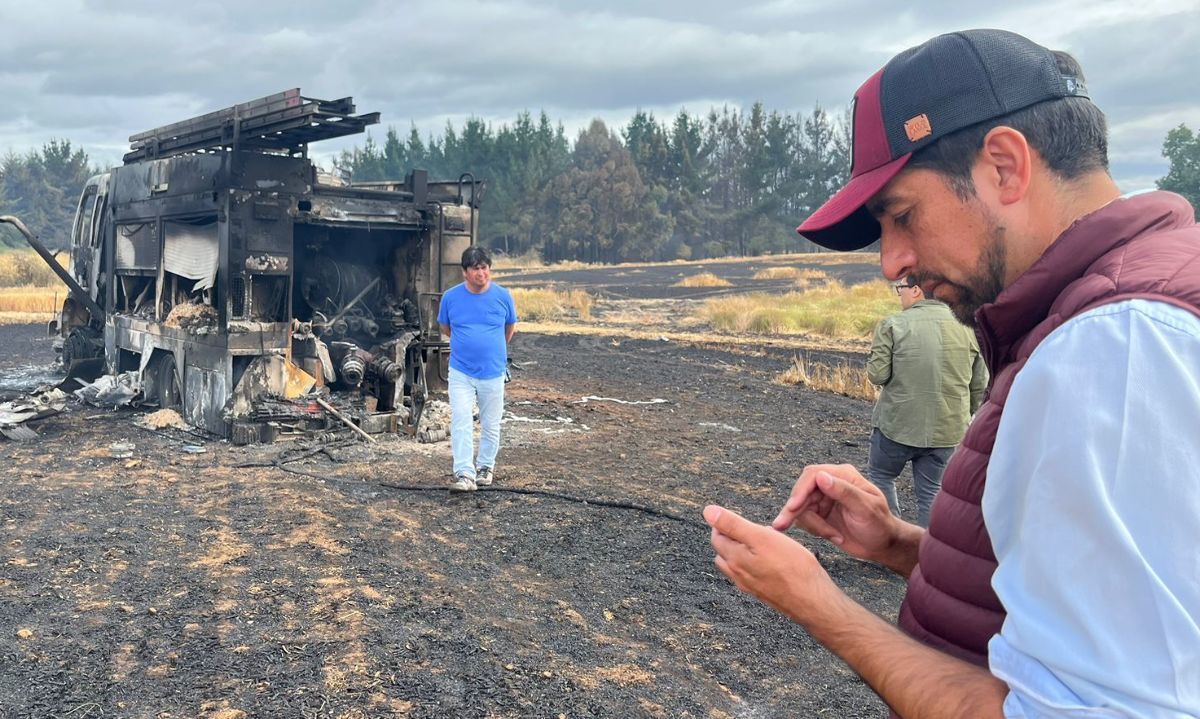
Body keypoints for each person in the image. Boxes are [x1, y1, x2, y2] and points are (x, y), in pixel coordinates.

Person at [704, 29, 1200, 718]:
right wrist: (903, 545)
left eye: (902, 216)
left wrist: (821, 606)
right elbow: (1074, 599)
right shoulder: (1110, 312)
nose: (891, 263)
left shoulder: (1112, 349)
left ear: (1004, 166)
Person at [866, 277, 986, 527]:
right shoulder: (969, 328)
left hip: (896, 425)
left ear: (916, 290)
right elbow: (979, 385)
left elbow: (877, 376)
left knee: (881, 475)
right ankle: (925, 555)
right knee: (930, 492)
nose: (900, 294)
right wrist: (962, 413)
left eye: (901, 289)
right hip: (948, 429)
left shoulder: (893, 324)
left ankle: (891, 540)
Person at [437, 246, 517, 493]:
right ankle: (464, 473)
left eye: (485, 267)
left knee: (491, 423)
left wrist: (491, 349)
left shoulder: (503, 296)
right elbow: (445, 328)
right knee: (461, 419)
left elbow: (509, 328)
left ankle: (485, 467)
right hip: (461, 372)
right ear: (465, 272)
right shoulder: (450, 297)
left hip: (493, 372)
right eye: (476, 268)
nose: (482, 273)